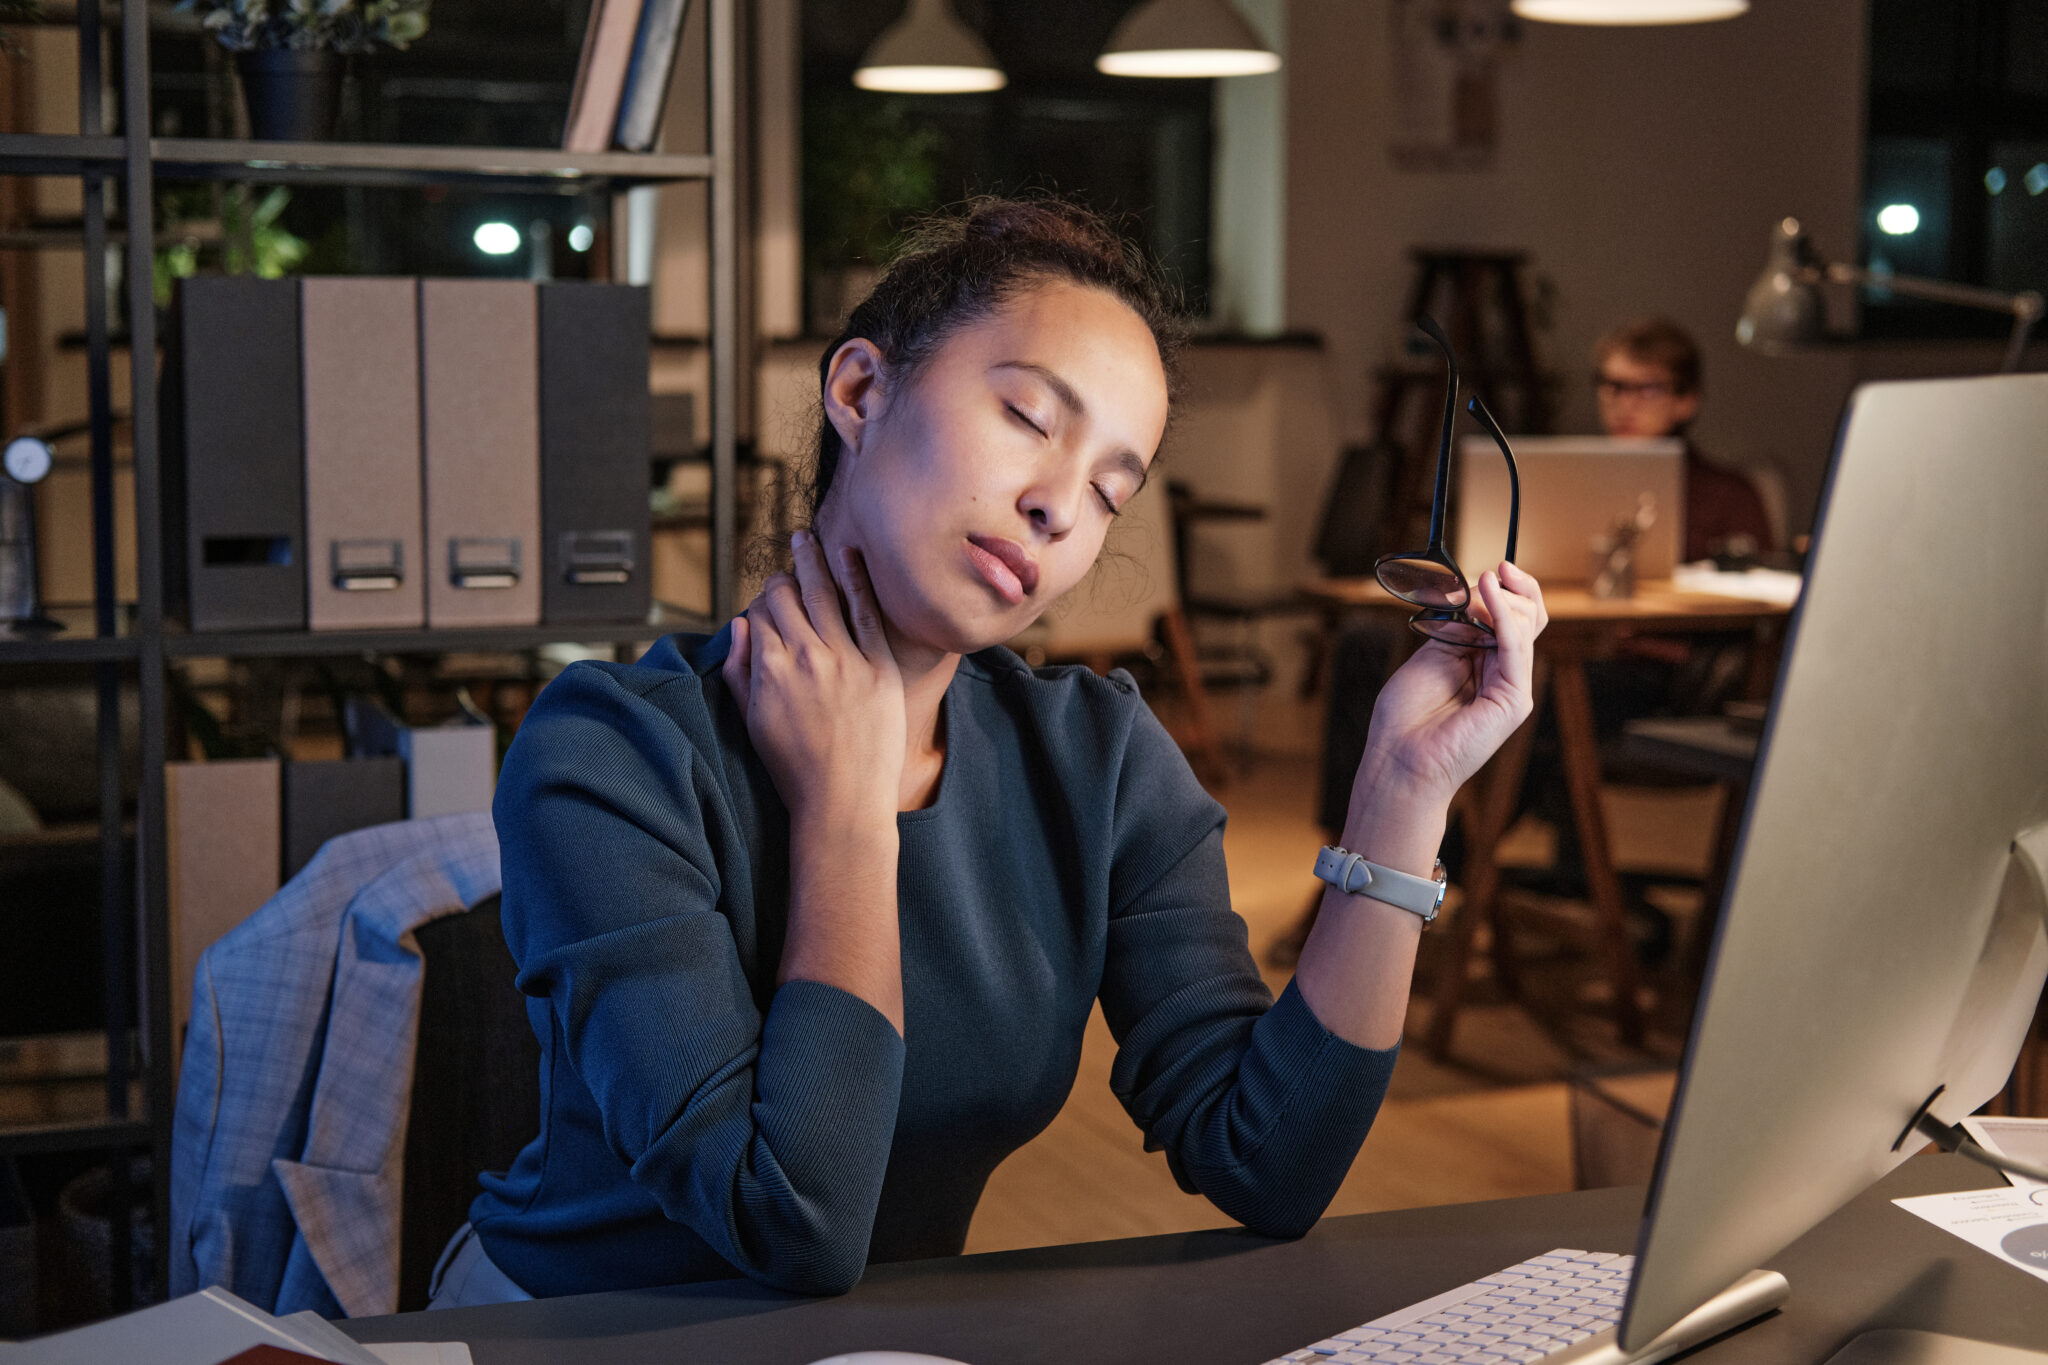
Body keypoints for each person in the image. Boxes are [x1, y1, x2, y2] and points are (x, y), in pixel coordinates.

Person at [431, 198, 1547, 1306]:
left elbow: (1267, 1162)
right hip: (570, 1337)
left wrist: (1403, 789)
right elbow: (790, 1223)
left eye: (1112, 490)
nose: (1058, 506)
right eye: (1025, 416)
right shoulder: (612, 751)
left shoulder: (1094, 759)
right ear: (861, 389)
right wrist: (848, 813)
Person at [1592, 317, 1773, 565]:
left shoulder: (1730, 498)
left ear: (1687, 401)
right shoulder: (1572, 488)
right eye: (1615, 386)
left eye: (1648, 389)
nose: (1626, 404)